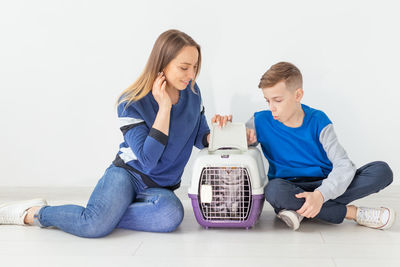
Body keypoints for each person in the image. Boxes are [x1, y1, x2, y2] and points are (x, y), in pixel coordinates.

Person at [0, 29, 230, 237]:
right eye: (184, 67)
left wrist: (221, 132)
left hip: (160, 188)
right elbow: (148, 160)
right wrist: (165, 108)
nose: (191, 74)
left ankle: (104, 214)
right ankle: (34, 213)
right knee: (93, 227)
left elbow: (200, 137)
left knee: (170, 215)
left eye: (195, 67)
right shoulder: (131, 102)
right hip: (127, 175)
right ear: (162, 64)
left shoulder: (192, 92)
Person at [245, 61, 395, 231]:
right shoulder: (260, 121)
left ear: (298, 95)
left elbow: (343, 165)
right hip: (289, 186)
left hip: (324, 182)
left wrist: (320, 195)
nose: (272, 108)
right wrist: (227, 128)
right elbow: (236, 142)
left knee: (382, 171)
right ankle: (351, 213)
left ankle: (299, 210)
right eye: (267, 101)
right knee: (273, 190)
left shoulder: (318, 120)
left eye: (278, 100)